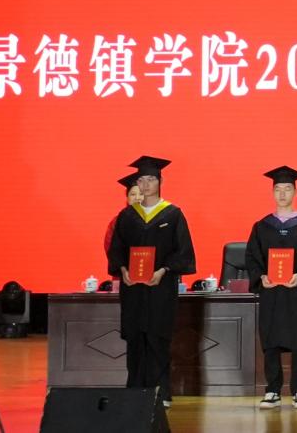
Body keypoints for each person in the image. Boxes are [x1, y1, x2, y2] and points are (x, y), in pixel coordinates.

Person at [105, 155, 196, 409]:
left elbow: (183, 252)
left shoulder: (173, 214)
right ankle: (134, 390)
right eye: (141, 180)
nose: (145, 185)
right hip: (133, 289)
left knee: (158, 339)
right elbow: (116, 250)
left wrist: (164, 270)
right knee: (135, 339)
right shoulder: (127, 216)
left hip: (160, 288)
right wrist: (122, 269)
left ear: (160, 181)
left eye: (150, 179)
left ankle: (161, 391)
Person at [246, 166, 297, 410]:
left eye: (287, 189)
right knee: (270, 340)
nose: (282, 194)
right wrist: (261, 276)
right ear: (272, 193)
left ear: (294, 192)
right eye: (278, 189)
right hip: (271, 291)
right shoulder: (262, 226)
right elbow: (253, 258)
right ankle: (272, 390)